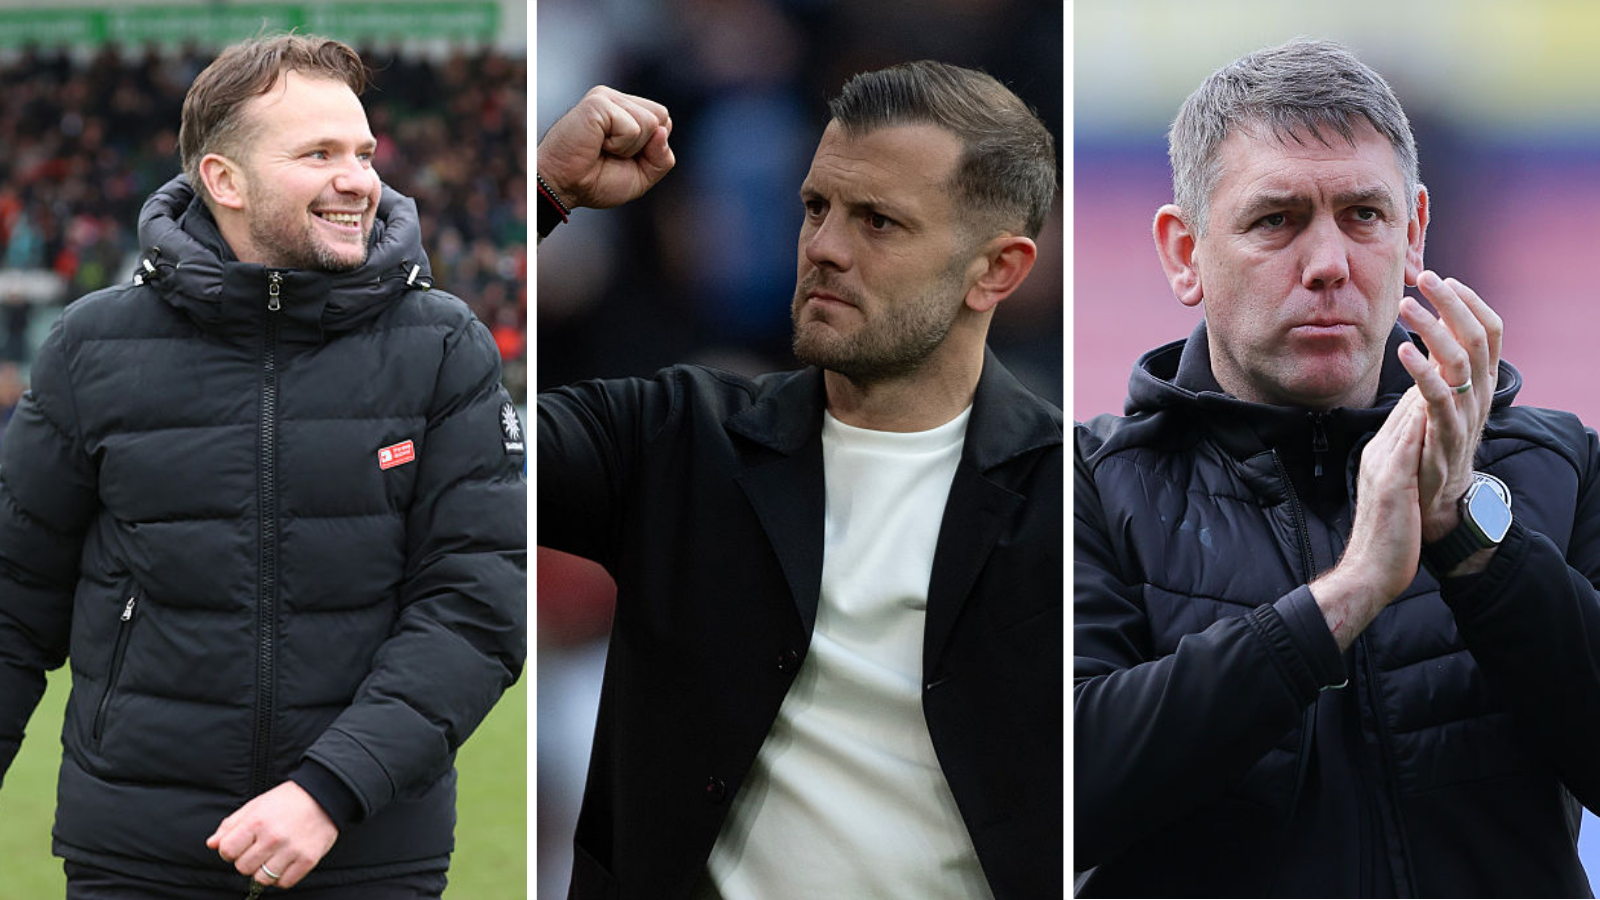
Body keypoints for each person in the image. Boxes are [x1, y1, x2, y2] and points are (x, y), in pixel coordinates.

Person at [0, 34, 525, 898]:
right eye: (319, 153)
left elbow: (474, 606)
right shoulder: (92, 348)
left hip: (364, 855)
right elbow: (15, 604)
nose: (359, 179)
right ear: (225, 180)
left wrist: (329, 792)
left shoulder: (446, 346)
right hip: (140, 857)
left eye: (363, 152)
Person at [1075, 38, 1600, 896]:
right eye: (1274, 220)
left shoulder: (1559, 465)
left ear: (1415, 232)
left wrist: (1474, 541)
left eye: (1364, 215)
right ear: (1185, 254)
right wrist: (1347, 595)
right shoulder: (1090, 486)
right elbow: (1061, 791)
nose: (1329, 265)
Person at [537, 61, 1061, 899]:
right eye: (817, 207)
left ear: (997, 270)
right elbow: (404, 425)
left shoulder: (1075, 501)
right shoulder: (675, 436)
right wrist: (540, 195)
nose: (823, 247)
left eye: (878, 222)